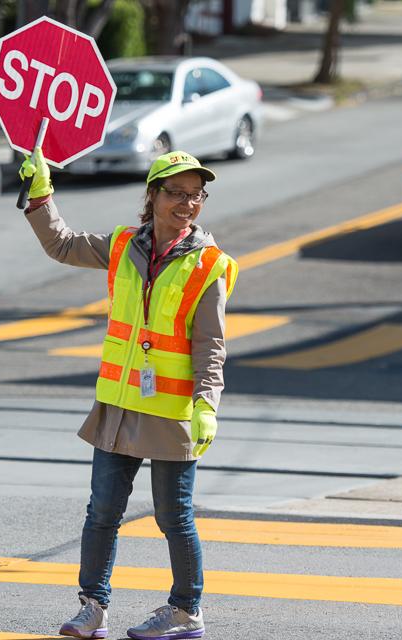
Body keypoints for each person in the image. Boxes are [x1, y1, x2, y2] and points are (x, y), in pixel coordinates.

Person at [19, 149, 238, 640]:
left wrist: (207, 404)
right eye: (177, 193)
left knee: (173, 517)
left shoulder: (209, 265)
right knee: (102, 513)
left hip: (172, 411)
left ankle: (185, 611)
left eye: (196, 194)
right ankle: (92, 607)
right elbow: (62, 244)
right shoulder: (122, 245)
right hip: (119, 405)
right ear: (153, 194)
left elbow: (211, 343)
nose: (188, 203)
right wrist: (41, 195)